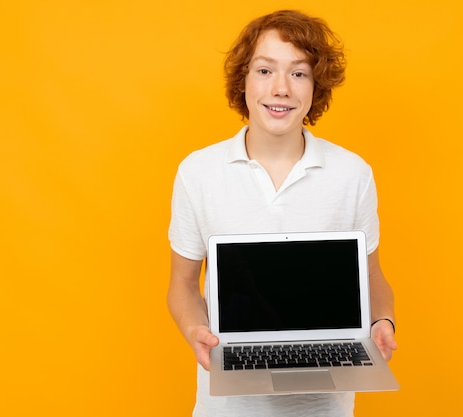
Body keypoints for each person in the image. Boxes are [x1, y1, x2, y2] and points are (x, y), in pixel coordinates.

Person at [167, 9, 397, 417]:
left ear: (315, 86)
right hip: (226, 408)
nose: (280, 89)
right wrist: (194, 330)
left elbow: (372, 274)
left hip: (326, 407)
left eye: (298, 73)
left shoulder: (353, 174)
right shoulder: (197, 172)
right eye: (264, 70)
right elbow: (183, 283)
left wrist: (384, 322)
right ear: (244, 80)